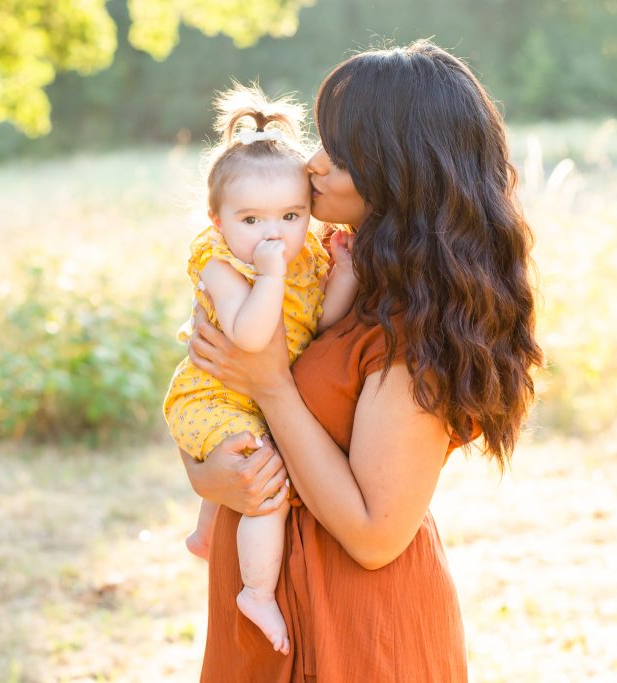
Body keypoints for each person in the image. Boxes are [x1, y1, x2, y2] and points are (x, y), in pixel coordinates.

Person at [181, 40, 544, 682]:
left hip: (356, 629)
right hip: (263, 620)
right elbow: (209, 393)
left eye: (342, 153)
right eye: (322, 139)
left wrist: (270, 387)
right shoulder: (320, 272)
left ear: (403, 170)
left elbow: (376, 537)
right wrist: (209, 475)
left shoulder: (418, 325)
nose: (314, 164)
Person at [163, 84, 359, 655]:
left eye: (291, 215)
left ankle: (205, 532)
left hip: (249, 397)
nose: (273, 232)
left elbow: (322, 327)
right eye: (251, 219)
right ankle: (256, 590)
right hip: (213, 395)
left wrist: (342, 274)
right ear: (217, 221)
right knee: (264, 485)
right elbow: (250, 338)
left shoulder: (305, 256)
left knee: (254, 455)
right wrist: (270, 277)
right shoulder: (223, 264)